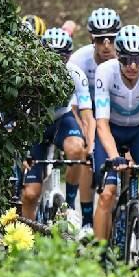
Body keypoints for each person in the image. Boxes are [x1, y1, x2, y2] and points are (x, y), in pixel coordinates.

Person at [92, 24, 139, 251]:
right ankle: (98, 257)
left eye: (138, 60)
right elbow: (101, 123)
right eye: (126, 60)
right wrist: (114, 156)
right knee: (107, 194)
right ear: (118, 56)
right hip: (111, 130)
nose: (133, 66)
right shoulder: (105, 71)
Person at [20, 27, 92, 222]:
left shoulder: (75, 74)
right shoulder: (29, 73)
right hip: (35, 124)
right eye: (51, 57)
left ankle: (69, 206)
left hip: (62, 120)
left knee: (77, 150)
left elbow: (87, 114)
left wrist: (90, 145)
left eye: (62, 57)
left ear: (68, 57)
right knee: (30, 194)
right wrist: (23, 150)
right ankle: (28, 234)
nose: (56, 63)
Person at [70, 6, 122, 234]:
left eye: (111, 39)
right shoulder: (79, 60)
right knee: (86, 154)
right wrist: (85, 134)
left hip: (116, 114)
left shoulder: (127, 59)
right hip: (86, 112)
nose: (107, 45)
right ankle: (87, 219)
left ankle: (126, 209)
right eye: (101, 40)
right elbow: (73, 106)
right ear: (92, 39)